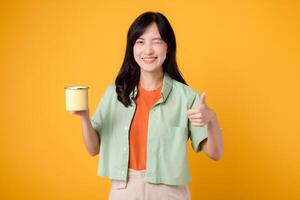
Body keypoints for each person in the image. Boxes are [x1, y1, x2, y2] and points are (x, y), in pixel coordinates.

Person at [69, 11, 223, 200]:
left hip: (169, 192)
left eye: (156, 41)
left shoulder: (187, 97)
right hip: (124, 190)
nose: (148, 50)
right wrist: (84, 116)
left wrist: (212, 119)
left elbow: (215, 153)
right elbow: (93, 149)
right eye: (140, 42)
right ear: (132, 47)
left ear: (168, 47)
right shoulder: (114, 94)